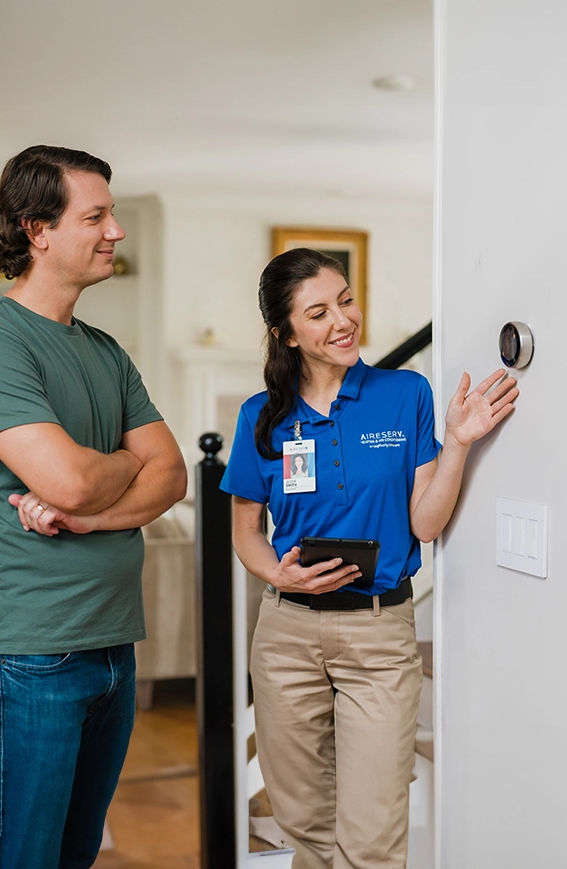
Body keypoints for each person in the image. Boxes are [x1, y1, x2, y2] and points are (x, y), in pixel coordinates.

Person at [220, 247, 517, 869]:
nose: (343, 320)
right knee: (301, 818)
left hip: (379, 635)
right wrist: (273, 570)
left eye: (346, 300)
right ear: (286, 332)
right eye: (319, 311)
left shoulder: (403, 393)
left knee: (374, 832)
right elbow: (245, 530)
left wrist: (459, 444)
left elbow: (425, 523)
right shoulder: (261, 416)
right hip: (287, 633)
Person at [0, 145, 187, 869]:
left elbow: (168, 476)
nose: (117, 231)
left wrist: (92, 510)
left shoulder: (106, 351)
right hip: (28, 656)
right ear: (36, 229)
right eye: (97, 216)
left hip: (112, 645)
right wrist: (116, 468)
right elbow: (73, 478)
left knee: (74, 857)